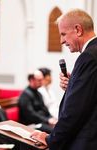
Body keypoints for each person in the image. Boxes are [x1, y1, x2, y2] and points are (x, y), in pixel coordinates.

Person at [31, 9, 97, 150]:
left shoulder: (88, 57)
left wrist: (51, 139)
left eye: (63, 34)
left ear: (78, 30)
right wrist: (73, 85)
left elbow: (75, 110)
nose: (61, 41)